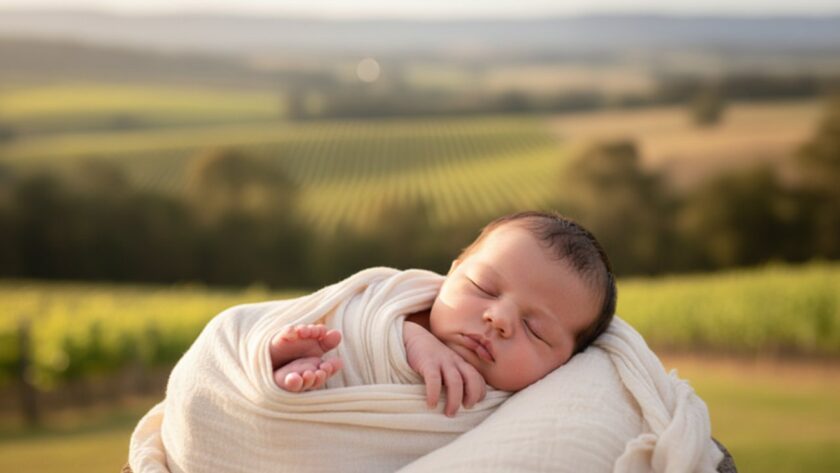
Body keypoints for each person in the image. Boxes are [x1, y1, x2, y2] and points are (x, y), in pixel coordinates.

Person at [269, 210, 616, 416]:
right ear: (452, 272)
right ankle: (279, 363)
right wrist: (410, 338)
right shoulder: (398, 303)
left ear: (566, 363)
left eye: (535, 329)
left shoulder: (526, 413)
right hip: (317, 380)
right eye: (483, 287)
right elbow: (358, 314)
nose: (499, 319)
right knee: (310, 344)